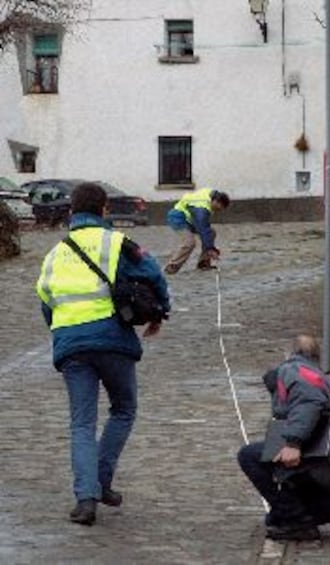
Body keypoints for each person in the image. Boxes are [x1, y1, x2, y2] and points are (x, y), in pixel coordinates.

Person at [36, 182, 170, 526]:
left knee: (81, 423)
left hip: (71, 346)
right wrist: (159, 313)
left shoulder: (54, 254)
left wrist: (64, 333)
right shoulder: (117, 243)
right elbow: (153, 274)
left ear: (70, 212)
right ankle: (101, 481)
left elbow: (46, 302)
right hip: (112, 341)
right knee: (124, 409)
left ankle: (86, 500)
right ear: (105, 209)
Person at [238, 335, 330, 541]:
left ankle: (298, 522)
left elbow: (309, 400)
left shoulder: (294, 369)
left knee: (249, 456)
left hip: (324, 460)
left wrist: (293, 442)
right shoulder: (323, 377)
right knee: (274, 519)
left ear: (290, 353)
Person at [164, 187, 230, 274]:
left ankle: (203, 263)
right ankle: (172, 266)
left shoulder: (211, 194)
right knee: (189, 243)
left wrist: (210, 247)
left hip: (190, 219)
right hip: (178, 218)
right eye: (218, 208)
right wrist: (210, 249)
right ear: (216, 201)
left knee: (211, 233)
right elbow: (203, 229)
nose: (217, 211)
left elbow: (205, 229)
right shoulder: (201, 210)